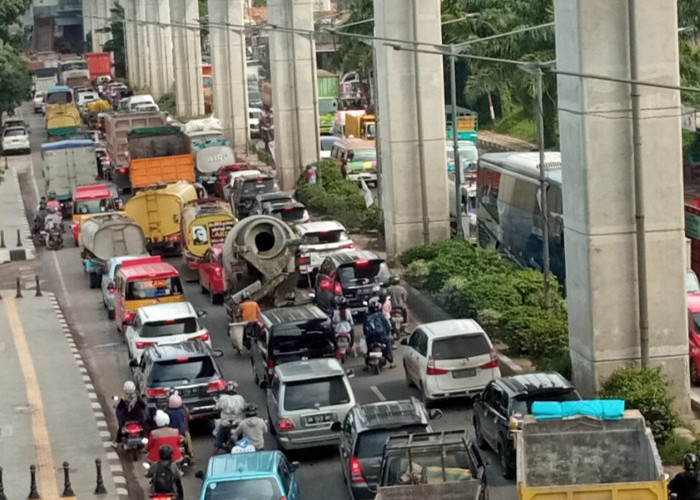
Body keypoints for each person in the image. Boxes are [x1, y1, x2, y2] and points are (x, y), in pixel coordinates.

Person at [213, 381, 247, 454]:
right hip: (238, 423)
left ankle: (214, 456)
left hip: (225, 423)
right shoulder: (240, 398)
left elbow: (217, 408)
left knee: (218, 440)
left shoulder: (222, 398)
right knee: (244, 438)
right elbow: (244, 407)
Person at [113, 381, 146, 447]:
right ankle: (145, 443)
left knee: (121, 428)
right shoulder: (137, 398)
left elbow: (119, 408)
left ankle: (116, 443)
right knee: (144, 429)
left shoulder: (124, 399)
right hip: (138, 419)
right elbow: (144, 406)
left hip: (126, 419)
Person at [363, 301, 393, 367]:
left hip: (370, 338)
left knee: (368, 347)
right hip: (381, 336)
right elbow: (387, 327)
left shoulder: (367, 318)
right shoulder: (381, 316)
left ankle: (367, 362)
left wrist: (367, 336)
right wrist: (387, 334)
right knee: (388, 341)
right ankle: (389, 358)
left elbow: (365, 330)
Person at [166, 393, 193, 461]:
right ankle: (190, 452)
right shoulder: (183, 410)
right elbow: (187, 418)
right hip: (182, 431)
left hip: (171, 432)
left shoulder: (167, 411)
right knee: (188, 438)